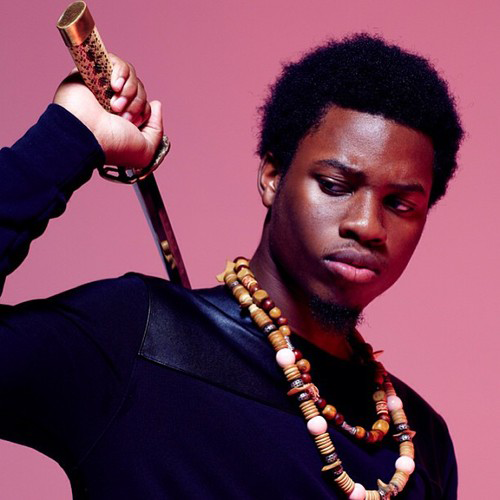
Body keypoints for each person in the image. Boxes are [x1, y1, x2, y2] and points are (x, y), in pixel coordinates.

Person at [0, 34, 462, 499]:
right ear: (272, 177)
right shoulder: (137, 339)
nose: (367, 225)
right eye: (334, 184)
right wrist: (68, 136)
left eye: (400, 204)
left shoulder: (421, 445)